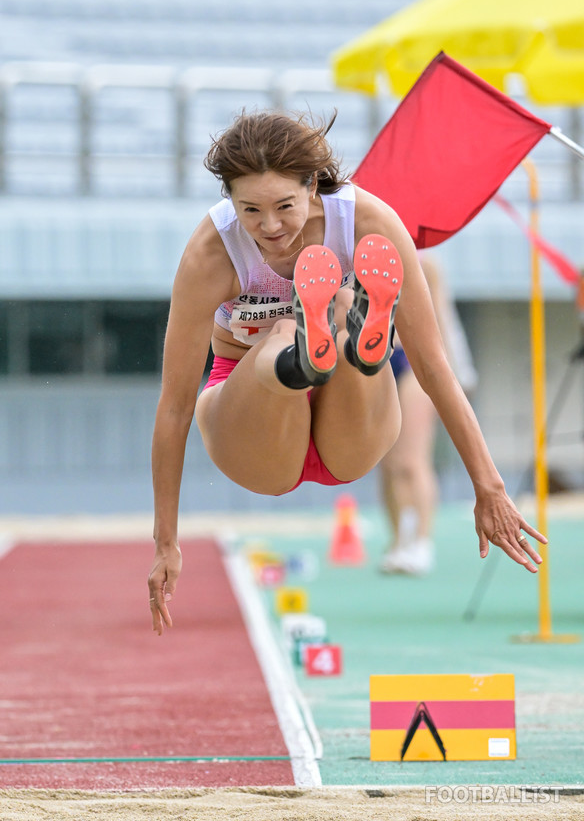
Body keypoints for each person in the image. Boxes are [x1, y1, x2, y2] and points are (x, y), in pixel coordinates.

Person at [148, 109, 546, 635]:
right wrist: (164, 541)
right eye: (249, 210)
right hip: (255, 426)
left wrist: (489, 486)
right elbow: (174, 407)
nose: (269, 228)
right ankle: (307, 353)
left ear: (313, 185)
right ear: (228, 200)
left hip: (349, 429)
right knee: (283, 333)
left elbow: (431, 366)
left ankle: (353, 345)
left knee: (336, 327)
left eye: (284, 206)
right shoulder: (210, 253)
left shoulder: (371, 223)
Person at [378, 253, 478, 576]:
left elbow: (440, 324)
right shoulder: (358, 253)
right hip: (377, 359)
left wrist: (449, 380)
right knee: (386, 462)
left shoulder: (427, 265)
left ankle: (421, 542)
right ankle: (398, 542)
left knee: (412, 458)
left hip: (414, 360)